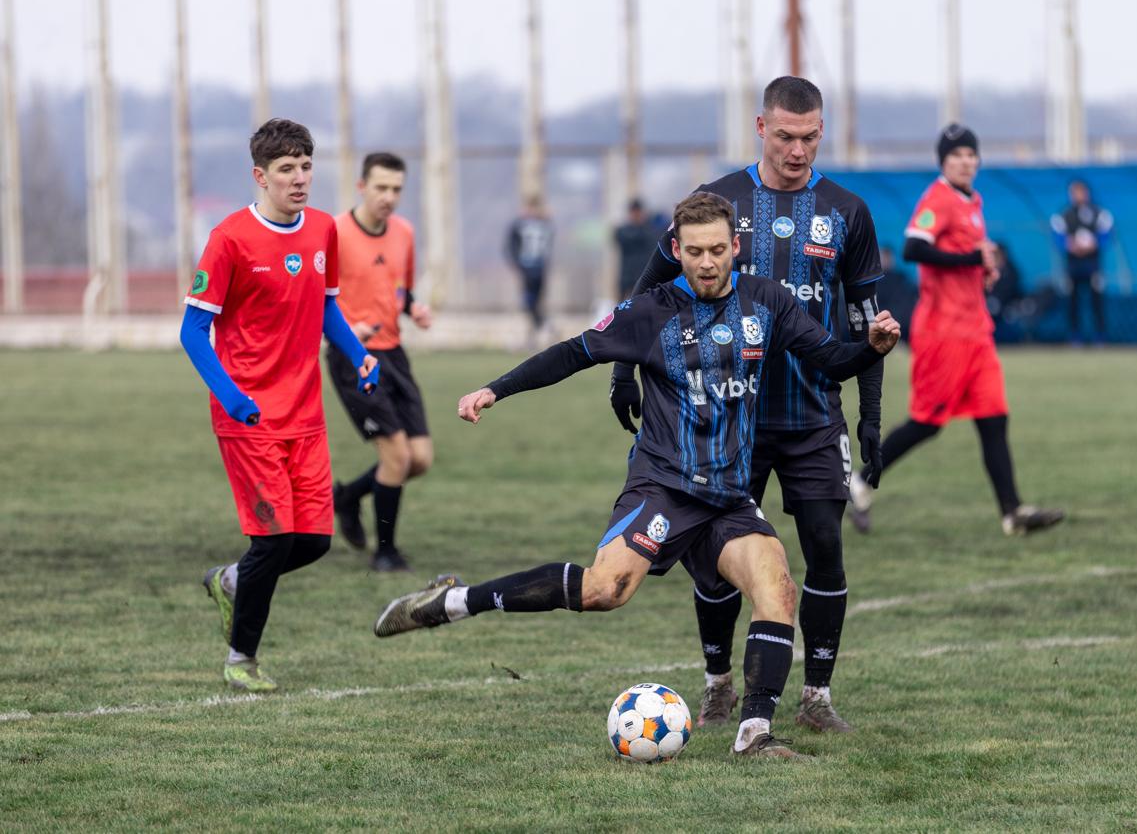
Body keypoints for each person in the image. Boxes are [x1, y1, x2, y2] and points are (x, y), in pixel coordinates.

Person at [374, 192, 901, 760]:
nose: (706, 263)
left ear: (735, 247)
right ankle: (456, 601)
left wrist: (870, 349)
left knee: (776, 588)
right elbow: (572, 353)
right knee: (604, 591)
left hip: (728, 498)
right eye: (694, 251)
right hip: (665, 487)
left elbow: (831, 358)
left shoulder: (766, 301)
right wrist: (494, 389)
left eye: (717, 250)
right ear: (676, 249)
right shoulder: (651, 311)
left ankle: (754, 734)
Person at [609, 76, 885, 733]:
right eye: (785, 136)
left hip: (813, 414)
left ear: (822, 131)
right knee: (718, 561)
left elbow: (866, 322)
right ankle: (717, 686)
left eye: (810, 137)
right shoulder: (720, 202)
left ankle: (816, 697)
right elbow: (643, 293)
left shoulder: (847, 211)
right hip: (726, 422)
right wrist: (623, 372)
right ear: (761, 127)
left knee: (825, 546)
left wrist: (871, 414)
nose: (798, 150)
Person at [180, 118, 378, 692]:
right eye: (286, 169)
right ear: (260, 176)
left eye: (306, 166)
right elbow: (193, 331)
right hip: (249, 418)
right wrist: (231, 396)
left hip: (305, 415)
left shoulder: (322, 230)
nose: (299, 178)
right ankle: (241, 659)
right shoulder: (230, 239)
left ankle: (231, 580)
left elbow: (326, 307)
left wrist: (359, 356)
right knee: (271, 541)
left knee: (313, 542)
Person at [847, 123, 1063, 538]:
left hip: (976, 331)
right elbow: (913, 246)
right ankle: (860, 480)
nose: (965, 161)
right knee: (927, 422)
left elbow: (964, 258)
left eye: (970, 154)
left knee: (994, 417)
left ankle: (1012, 513)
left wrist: (982, 271)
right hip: (943, 332)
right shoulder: (938, 198)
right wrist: (970, 260)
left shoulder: (972, 201)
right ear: (943, 163)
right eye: (956, 155)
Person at [329, 152, 434, 573]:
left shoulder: (404, 232)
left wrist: (413, 308)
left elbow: (398, 289)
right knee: (396, 457)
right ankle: (385, 552)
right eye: (381, 188)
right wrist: (346, 331)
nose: (389, 197)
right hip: (353, 358)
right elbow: (314, 299)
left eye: (396, 189)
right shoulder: (334, 234)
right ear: (361, 187)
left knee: (419, 458)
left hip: (395, 354)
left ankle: (349, 496)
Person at [1050, 180, 1113, 345]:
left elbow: (1106, 235)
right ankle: (1074, 336)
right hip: (1073, 266)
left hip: (1092, 266)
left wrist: (1093, 244)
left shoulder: (1099, 213)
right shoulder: (1064, 215)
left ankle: (1100, 336)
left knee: (1096, 301)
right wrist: (1070, 245)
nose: (1077, 196)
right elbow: (1058, 238)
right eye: (1074, 192)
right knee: (1072, 301)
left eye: (1080, 192)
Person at [505, 196, 555, 345]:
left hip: (537, 267)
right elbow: (511, 245)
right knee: (529, 302)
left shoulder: (538, 224)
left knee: (533, 301)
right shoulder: (526, 224)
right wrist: (516, 262)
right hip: (528, 267)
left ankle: (539, 328)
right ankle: (541, 326)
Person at [613, 198, 664, 301]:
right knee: (622, 305)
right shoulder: (623, 231)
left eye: (638, 212)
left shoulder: (649, 230)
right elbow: (621, 237)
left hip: (642, 275)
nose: (636, 215)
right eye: (634, 212)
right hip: (627, 276)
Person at [875, 244, 918, 342]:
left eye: (887, 256)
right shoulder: (872, 282)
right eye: (883, 256)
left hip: (901, 325)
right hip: (884, 325)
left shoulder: (901, 279)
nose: (885, 260)